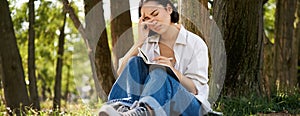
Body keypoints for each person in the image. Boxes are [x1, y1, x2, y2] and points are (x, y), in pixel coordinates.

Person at [99, 0, 211, 115]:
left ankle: (141, 111)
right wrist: (140, 42)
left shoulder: (195, 43)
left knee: (160, 72)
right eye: (147, 18)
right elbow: (122, 74)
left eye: (155, 14)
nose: (152, 21)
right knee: (134, 62)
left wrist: (172, 71)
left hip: (190, 106)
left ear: (169, 9)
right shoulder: (149, 43)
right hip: (159, 106)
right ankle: (123, 109)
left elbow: (194, 89)